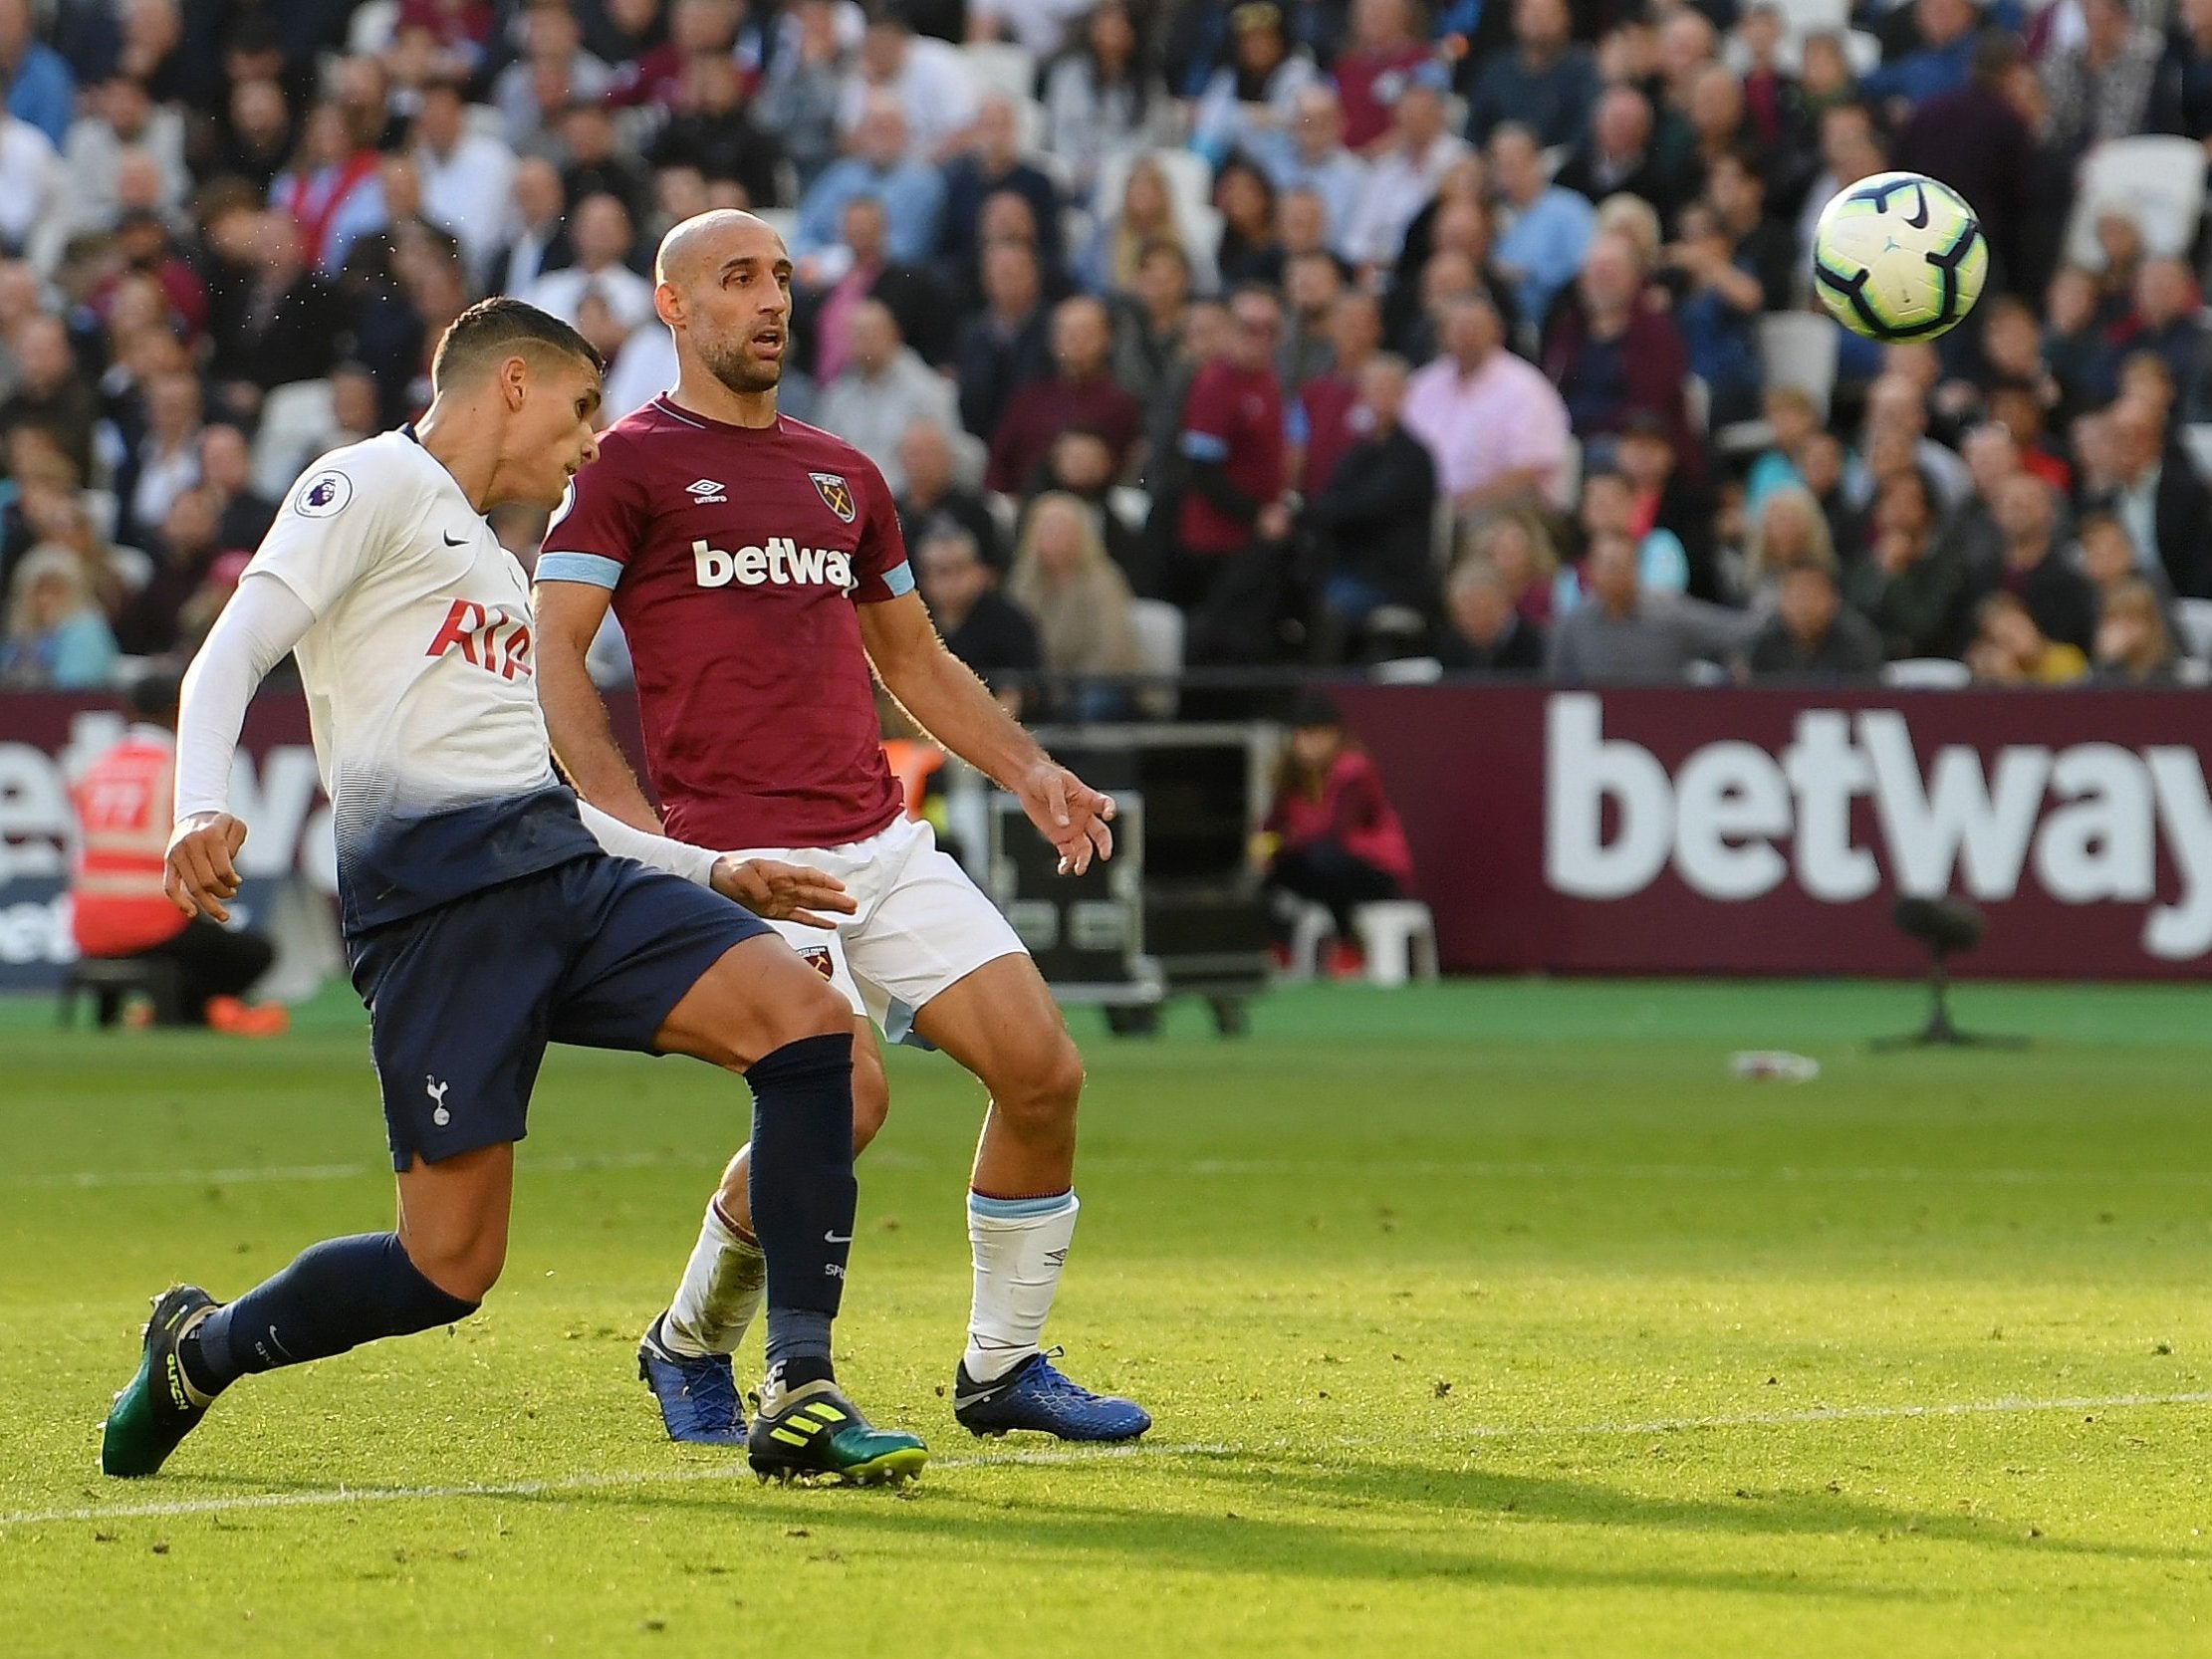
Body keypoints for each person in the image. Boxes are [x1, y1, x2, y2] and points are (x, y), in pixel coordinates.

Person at [99, 298, 926, 1488]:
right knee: (445, 1269)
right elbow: (230, 650)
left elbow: (528, 787)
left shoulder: (497, 561)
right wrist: (193, 805)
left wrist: (710, 870)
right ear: (518, 382)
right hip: (440, 916)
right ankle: (202, 1349)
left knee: (819, 1037)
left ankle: (799, 1388)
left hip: (567, 879)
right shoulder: (367, 485)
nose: (595, 441)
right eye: (586, 409)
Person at [531, 211, 1151, 1446]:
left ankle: (1001, 1368)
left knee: (1043, 1072)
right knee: (844, 1093)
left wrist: (1029, 770)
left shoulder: (842, 475)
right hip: (746, 858)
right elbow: (554, 658)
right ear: (672, 306)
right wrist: (643, 837)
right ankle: (691, 1341)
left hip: (879, 838)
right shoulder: (625, 466)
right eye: (736, 279)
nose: (769, 301)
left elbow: (911, 655)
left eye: (780, 280)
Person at [66, 671, 284, 1032]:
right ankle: (187, 1014)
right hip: (155, 922)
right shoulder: (177, 769)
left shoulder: (95, 769)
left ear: (129, 712)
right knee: (254, 952)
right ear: (177, 712)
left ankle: (168, 1011)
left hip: (88, 926)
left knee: (195, 951)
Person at [1258, 691, 1413, 965]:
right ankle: (1280, 946)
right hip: (1316, 863)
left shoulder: (1354, 770)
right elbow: (1271, 827)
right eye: (1304, 735)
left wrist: (1282, 844)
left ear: (1335, 736)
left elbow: (1336, 831)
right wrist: (1263, 849)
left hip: (1372, 872)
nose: (1310, 744)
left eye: (1318, 735)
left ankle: (1347, 944)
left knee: (1325, 858)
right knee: (1265, 877)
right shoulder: (1289, 776)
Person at [1005, 492, 1143, 718]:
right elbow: (1015, 643)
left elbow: (1111, 650)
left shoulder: (1104, 580)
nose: (1053, 536)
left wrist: (1065, 688)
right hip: (1043, 685)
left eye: (1061, 529)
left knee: (1091, 703)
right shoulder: (1022, 584)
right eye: (1046, 528)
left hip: (1099, 684)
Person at [1742, 556, 1884, 680]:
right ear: (1781, 601)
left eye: (1813, 594)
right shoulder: (1764, 644)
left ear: (1834, 600)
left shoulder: (1858, 642)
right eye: (1797, 595)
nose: (1804, 605)